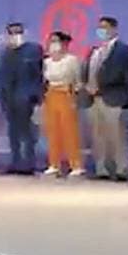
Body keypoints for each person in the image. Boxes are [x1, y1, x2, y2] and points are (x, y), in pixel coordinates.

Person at [82, 16, 128, 181]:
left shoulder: (123, 50)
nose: (102, 31)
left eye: (105, 27)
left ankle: (121, 169)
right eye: (100, 27)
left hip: (112, 97)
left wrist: (100, 86)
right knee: (98, 136)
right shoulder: (95, 51)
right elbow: (87, 71)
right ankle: (101, 169)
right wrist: (86, 85)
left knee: (116, 135)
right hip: (93, 98)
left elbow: (119, 72)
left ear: (114, 29)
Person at [0, 23, 44, 174]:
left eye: (18, 32)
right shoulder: (6, 53)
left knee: (27, 133)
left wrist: (36, 97)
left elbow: (39, 75)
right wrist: (1, 97)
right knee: (13, 133)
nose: (14, 36)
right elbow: (1, 77)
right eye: (11, 33)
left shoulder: (33, 50)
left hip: (27, 99)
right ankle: (15, 162)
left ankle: (28, 164)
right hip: (9, 100)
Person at [42, 32, 84, 177]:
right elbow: (45, 80)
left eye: (56, 41)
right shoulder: (47, 62)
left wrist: (74, 98)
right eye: (51, 41)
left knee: (69, 131)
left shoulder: (71, 60)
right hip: (51, 96)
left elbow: (78, 81)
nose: (53, 44)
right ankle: (54, 164)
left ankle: (75, 165)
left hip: (66, 95)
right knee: (53, 131)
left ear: (64, 43)